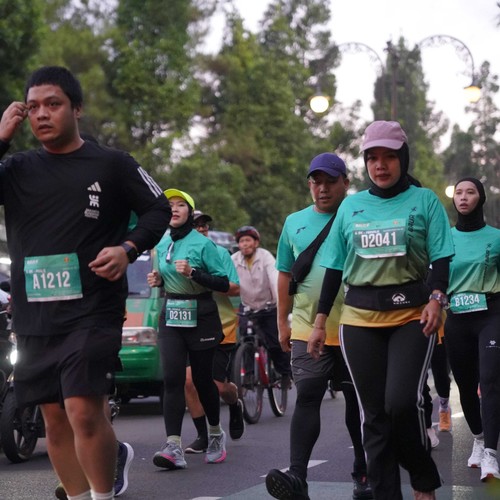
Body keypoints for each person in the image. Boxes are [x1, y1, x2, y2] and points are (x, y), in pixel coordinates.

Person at [0, 66, 171, 500]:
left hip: (93, 308)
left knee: (80, 408)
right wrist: (0, 138)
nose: (42, 114)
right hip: (35, 313)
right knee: (54, 418)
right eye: (32, 107)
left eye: (53, 104)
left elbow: (159, 209)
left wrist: (127, 248)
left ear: (76, 108)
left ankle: (101, 495)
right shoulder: (16, 168)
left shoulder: (112, 164)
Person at [309, 121, 454, 500]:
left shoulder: (425, 201)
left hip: (412, 316)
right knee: (373, 416)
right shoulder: (351, 206)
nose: (380, 165)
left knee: (401, 404)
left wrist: (437, 299)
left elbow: (441, 258)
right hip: (358, 320)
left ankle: (422, 476)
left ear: (403, 158)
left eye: (389, 156)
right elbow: (335, 267)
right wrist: (320, 321)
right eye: (372, 157)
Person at [265, 153, 372, 500]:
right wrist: (282, 322)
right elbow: (285, 274)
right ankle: (297, 477)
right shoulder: (294, 222)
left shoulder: (360, 217)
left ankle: (363, 472)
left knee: (357, 401)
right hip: (306, 326)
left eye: (330, 182)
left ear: (345, 183)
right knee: (308, 393)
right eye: (316, 182)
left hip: (357, 324)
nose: (322, 189)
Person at [148, 189, 230, 469]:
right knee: (172, 379)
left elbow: (223, 283)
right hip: (171, 314)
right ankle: (173, 446)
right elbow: (166, 277)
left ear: (190, 212)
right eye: (169, 204)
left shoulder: (204, 244)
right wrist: (158, 280)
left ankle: (216, 434)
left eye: (180, 204)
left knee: (203, 380)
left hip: (201, 315)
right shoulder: (161, 243)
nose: (174, 208)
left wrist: (194, 273)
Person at [444, 177, 500, 481]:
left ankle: (491, 453)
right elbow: (434, 278)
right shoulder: (444, 239)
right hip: (457, 317)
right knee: (465, 385)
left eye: (470, 192)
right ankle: (478, 439)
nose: (463, 197)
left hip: (491, 314)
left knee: (490, 381)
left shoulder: (497, 237)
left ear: (481, 198)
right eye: (459, 192)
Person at [184, 210, 244, 454]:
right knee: (189, 382)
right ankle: (203, 436)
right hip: (191, 325)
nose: (201, 229)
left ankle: (234, 400)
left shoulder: (219, 253)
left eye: (204, 225)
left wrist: (203, 279)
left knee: (217, 386)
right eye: (195, 225)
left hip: (221, 326)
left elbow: (235, 288)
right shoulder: (177, 253)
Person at [231, 226, 292, 385]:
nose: (245, 244)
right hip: (247, 306)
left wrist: (280, 305)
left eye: (248, 240)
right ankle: (249, 375)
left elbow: (274, 279)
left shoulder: (266, 257)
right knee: (246, 339)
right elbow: (227, 280)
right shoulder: (234, 260)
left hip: (269, 306)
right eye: (241, 241)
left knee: (274, 343)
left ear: (256, 243)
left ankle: (284, 373)